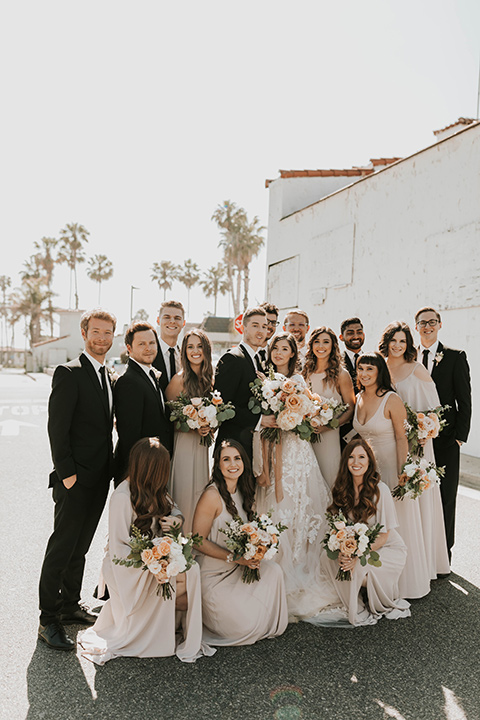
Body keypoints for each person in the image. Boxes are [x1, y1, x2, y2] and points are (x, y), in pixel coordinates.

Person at [79, 438, 213, 664]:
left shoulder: (156, 490)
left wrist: (175, 521)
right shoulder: (122, 497)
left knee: (192, 572)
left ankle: (170, 625)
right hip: (128, 566)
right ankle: (160, 626)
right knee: (184, 584)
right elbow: (119, 549)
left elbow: (176, 510)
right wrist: (153, 560)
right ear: (151, 468)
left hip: (155, 557)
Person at [38, 309, 116, 651]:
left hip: (99, 479)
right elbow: (57, 429)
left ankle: (70, 605)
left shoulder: (108, 375)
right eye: (96, 332)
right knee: (61, 548)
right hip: (74, 480)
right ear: (84, 333)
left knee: (80, 548)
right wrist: (67, 475)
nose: (101, 338)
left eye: (107, 332)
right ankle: (48, 619)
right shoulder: (68, 372)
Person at [254, 332, 336, 620]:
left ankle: (298, 569)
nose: (279, 352)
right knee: (275, 509)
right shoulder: (261, 381)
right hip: (273, 449)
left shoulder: (300, 382)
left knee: (299, 507)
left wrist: (297, 416)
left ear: (292, 353)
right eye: (275, 347)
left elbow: (311, 411)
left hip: (296, 451)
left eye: (285, 348)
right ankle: (273, 570)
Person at [193, 439, 288, 645]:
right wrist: (236, 558)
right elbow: (197, 541)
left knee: (274, 571)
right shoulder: (211, 495)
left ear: (244, 462)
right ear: (218, 465)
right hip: (214, 576)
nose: (232, 464)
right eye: (226, 459)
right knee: (245, 627)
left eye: (237, 458)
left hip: (239, 569)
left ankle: (256, 617)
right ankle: (236, 618)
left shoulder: (243, 490)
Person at [353, 352, 430, 599]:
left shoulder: (391, 398)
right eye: (361, 369)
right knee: (374, 524)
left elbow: (401, 437)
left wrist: (402, 472)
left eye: (370, 370)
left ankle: (406, 584)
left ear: (379, 373)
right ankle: (377, 581)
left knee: (398, 524)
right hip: (367, 470)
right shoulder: (358, 398)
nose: (364, 374)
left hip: (390, 468)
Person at [313, 439, 410, 627]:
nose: (356, 462)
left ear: (369, 462)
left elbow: (384, 536)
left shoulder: (380, 490)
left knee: (356, 567)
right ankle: (354, 604)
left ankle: (369, 597)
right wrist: (343, 551)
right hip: (356, 547)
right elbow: (338, 527)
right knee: (328, 557)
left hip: (387, 549)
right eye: (351, 457)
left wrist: (356, 555)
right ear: (345, 462)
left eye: (361, 457)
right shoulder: (341, 489)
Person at [379, 321, 449, 578]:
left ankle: (421, 564)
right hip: (385, 442)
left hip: (416, 444)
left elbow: (435, 411)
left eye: (402, 341)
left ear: (408, 344)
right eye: (393, 340)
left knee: (415, 501)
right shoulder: (380, 367)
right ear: (385, 342)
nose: (397, 345)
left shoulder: (416, 369)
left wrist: (423, 430)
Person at [415, 306, 472, 563]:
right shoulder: (409, 356)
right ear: (416, 327)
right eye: (422, 323)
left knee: (446, 497)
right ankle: (423, 549)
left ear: (439, 324)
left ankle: (444, 553)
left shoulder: (454, 356)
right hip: (416, 440)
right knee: (418, 495)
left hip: (447, 440)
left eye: (431, 322)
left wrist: (460, 436)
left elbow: (464, 400)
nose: (427, 326)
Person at [166, 328, 214, 532]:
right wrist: (191, 426)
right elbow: (168, 417)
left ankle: (197, 538)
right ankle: (180, 538)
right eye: (190, 347)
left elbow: (215, 411)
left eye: (199, 346)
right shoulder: (179, 379)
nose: (195, 351)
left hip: (202, 446)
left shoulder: (209, 379)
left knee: (200, 490)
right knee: (184, 489)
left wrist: (209, 424)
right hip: (183, 443)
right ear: (184, 351)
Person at [114, 322, 173, 485]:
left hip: (155, 467)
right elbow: (129, 436)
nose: (148, 348)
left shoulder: (150, 375)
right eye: (142, 344)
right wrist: (137, 476)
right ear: (129, 348)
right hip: (140, 472)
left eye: (152, 343)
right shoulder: (128, 382)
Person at [303, 327, 355, 488]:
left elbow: (350, 408)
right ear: (311, 345)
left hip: (329, 436)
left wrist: (329, 426)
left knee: (329, 477)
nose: (321, 346)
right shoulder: (305, 372)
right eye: (317, 342)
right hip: (306, 436)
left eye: (326, 342)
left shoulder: (341, 374)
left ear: (333, 346)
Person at [214, 306, 268, 460]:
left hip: (251, 446)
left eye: (264, 326)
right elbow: (222, 405)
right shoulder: (232, 358)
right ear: (244, 328)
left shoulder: (257, 360)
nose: (260, 331)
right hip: (232, 446)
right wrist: (260, 420)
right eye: (255, 325)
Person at [152, 300, 186, 393]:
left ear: (183, 323)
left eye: (177, 318)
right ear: (158, 321)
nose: (172, 321)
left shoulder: (185, 357)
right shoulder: (148, 353)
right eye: (167, 317)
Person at [339, 317, 365, 392]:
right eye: (350, 333)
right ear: (341, 337)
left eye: (359, 332)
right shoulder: (337, 361)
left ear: (363, 334)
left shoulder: (374, 360)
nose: (356, 336)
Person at [258, 301, 279, 370]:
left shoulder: (276, 354)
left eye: (273, 322)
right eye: (266, 321)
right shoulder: (244, 352)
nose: (270, 326)